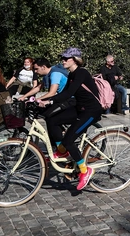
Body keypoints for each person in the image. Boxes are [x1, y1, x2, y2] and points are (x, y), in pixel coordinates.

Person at [42, 47, 103, 191]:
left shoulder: (82, 73)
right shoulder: (71, 74)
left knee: (69, 140)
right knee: (52, 119)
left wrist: (49, 101)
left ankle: (85, 170)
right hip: (79, 108)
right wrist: (44, 102)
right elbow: (63, 94)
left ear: (75, 60)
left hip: (91, 111)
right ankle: (62, 150)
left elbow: (69, 93)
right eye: (62, 58)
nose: (62, 61)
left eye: (65, 58)